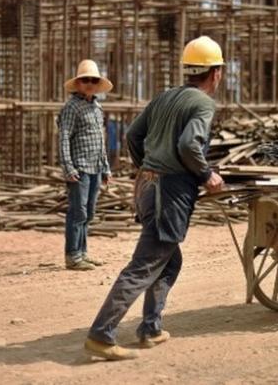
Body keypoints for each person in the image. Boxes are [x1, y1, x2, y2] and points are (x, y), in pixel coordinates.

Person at [83, 36, 226, 361]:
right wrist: (206, 175)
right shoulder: (203, 104)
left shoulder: (165, 97)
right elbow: (190, 145)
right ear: (215, 73)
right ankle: (101, 335)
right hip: (169, 193)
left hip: (147, 188)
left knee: (169, 260)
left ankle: (151, 328)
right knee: (144, 264)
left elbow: (134, 134)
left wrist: (148, 167)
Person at [58, 59, 114, 271]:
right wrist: (68, 168)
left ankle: (82, 253)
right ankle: (73, 255)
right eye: (85, 80)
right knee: (77, 212)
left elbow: (101, 140)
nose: (89, 83)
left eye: (93, 80)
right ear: (78, 83)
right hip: (80, 168)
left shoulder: (97, 107)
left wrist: (106, 167)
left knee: (88, 212)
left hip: (95, 168)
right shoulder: (71, 107)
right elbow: (63, 138)